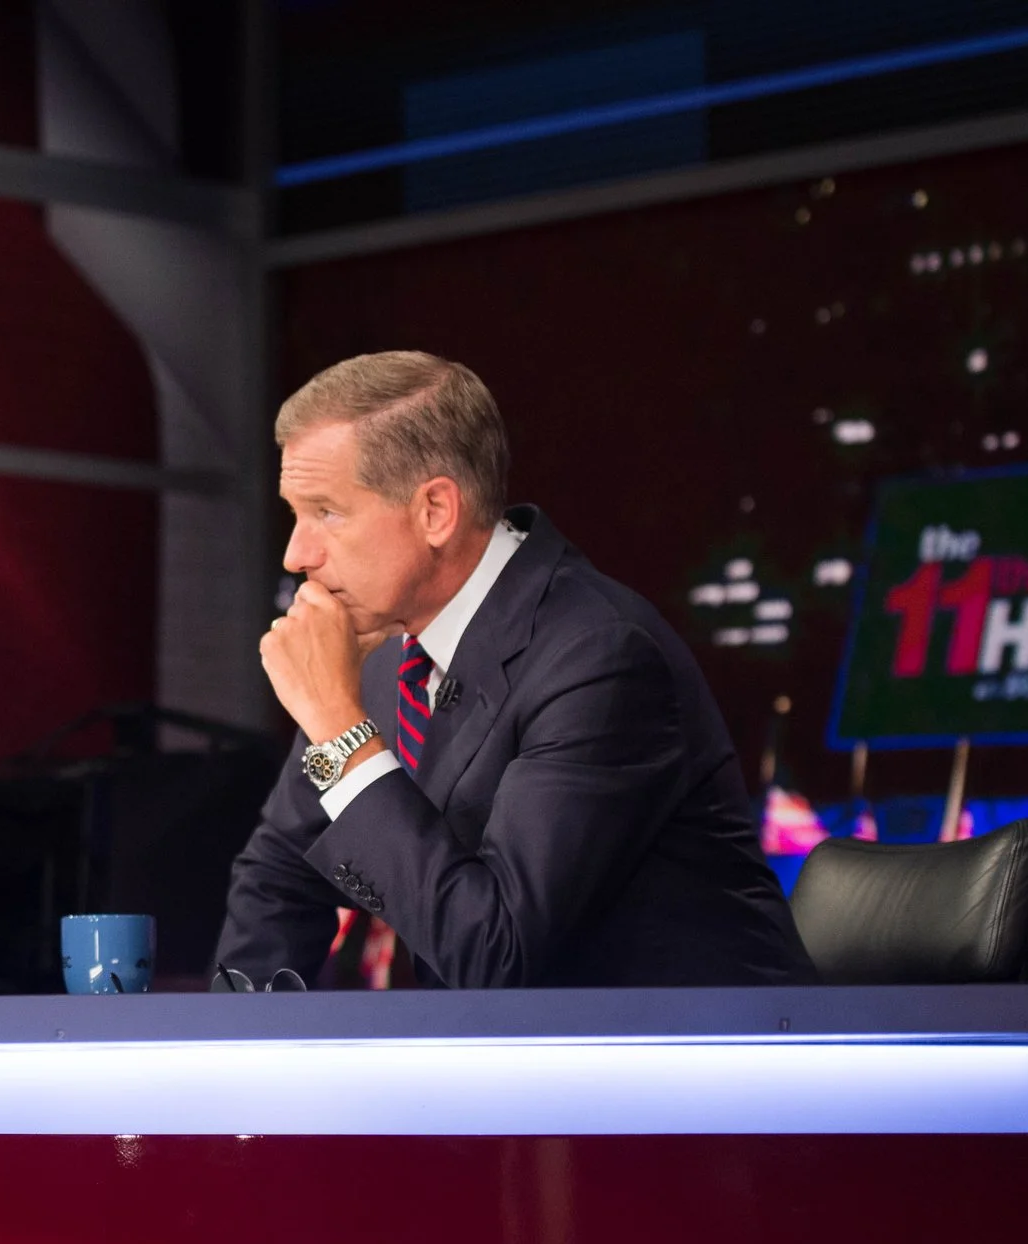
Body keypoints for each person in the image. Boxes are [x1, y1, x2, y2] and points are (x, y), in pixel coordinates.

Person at [215, 351, 814, 988]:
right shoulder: (382, 656)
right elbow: (279, 876)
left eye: (326, 513)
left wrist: (339, 726)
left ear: (435, 512)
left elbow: (496, 956)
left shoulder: (600, 657)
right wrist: (235, 1062)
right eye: (293, 514)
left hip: (700, 1068)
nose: (295, 553)